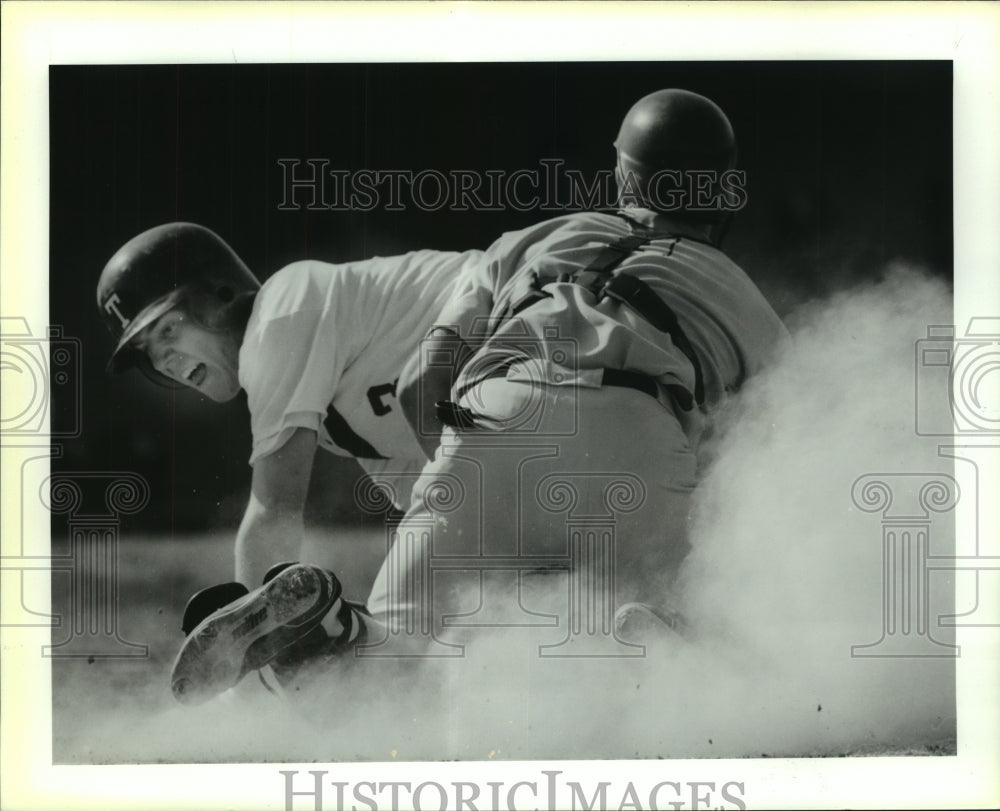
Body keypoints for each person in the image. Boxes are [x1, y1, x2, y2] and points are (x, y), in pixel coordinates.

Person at [106, 89, 790, 707]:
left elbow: (421, 382)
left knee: (393, 664)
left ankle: (332, 628)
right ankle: (640, 644)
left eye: (169, 331)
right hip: (640, 432)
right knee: (657, 625)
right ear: (726, 195)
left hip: (489, 415)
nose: (166, 357)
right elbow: (759, 465)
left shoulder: (542, 235)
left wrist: (474, 485)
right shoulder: (748, 303)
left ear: (619, 176)